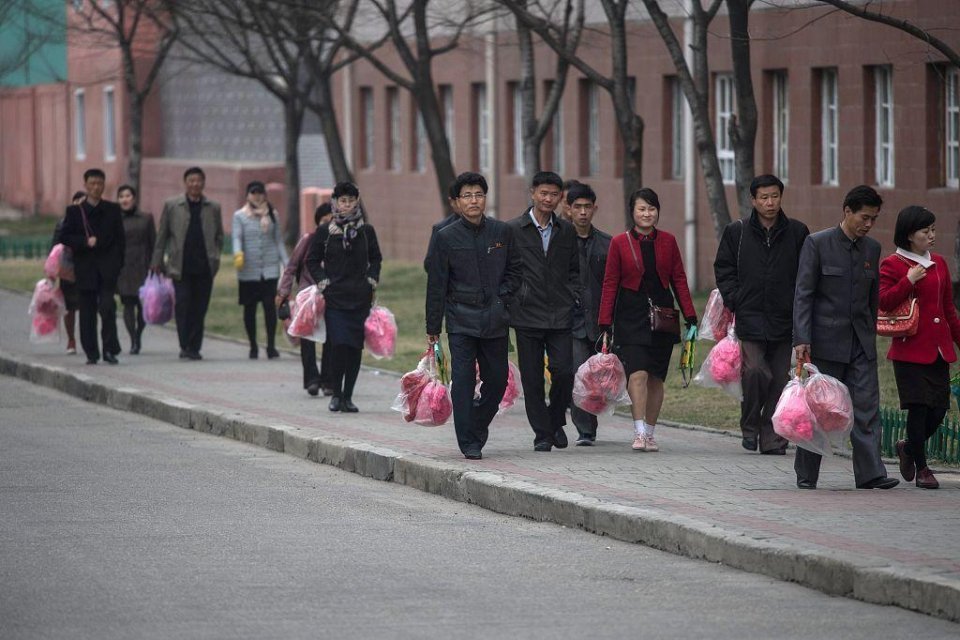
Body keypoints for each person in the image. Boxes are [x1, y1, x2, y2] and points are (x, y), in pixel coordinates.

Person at [792, 185, 898, 490]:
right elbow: (803, 294)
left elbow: (872, 299)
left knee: (866, 409)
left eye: (874, 219)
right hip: (824, 343)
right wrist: (802, 339)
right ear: (847, 211)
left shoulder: (872, 249)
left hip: (861, 344)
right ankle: (807, 475)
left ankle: (870, 474)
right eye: (864, 217)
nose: (868, 224)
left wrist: (872, 333)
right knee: (819, 411)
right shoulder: (817, 244)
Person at [426, 172, 522, 459]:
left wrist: (503, 297)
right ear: (456, 202)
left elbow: (516, 270)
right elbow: (436, 283)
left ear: (485, 198)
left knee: (498, 379)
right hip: (461, 320)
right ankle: (468, 441)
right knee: (464, 380)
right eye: (467, 195)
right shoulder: (444, 236)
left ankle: (476, 422)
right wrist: (433, 325)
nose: (474, 200)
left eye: (478, 194)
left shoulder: (502, 232)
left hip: (495, 318)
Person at [714, 174, 809, 455]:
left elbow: (806, 273)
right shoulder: (738, 232)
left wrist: (799, 307)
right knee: (756, 372)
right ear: (753, 200)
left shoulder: (796, 232)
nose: (770, 202)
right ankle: (750, 425)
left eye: (775, 196)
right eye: (764, 198)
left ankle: (773, 438)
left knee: (779, 379)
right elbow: (724, 268)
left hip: (785, 318)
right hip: (750, 316)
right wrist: (736, 299)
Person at [598, 188, 697, 452]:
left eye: (651, 209)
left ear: (657, 212)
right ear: (632, 212)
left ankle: (651, 432)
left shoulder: (668, 241)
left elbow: (678, 279)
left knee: (655, 377)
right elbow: (610, 283)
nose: (647, 213)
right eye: (642, 208)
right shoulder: (619, 243)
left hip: (662, 316)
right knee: (638, 373)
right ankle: (639, 431)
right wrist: (605, 321)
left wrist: (690, 314)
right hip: (630, 315)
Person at [880, 206, 960, 489]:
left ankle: (908, 448)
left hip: (938, 349)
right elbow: (884, 301)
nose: (932, 235)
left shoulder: (938, 262)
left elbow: (948, 308)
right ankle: (924, 469)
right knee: (919, 408)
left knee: (938, 411)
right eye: (926, 231)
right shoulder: (893, 264)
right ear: (909, 235)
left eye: (933, 230)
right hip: (909, 350)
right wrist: (908, 280)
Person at [507, 171, 581, 452]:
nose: (548, 199)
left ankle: (554, 421)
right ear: (533, 193)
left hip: (560, 313)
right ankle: (542, 433)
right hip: (526, 314)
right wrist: (515, 297)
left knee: (563, 372)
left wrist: (572, 295)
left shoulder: (567, 231)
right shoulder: (513, 229)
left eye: (554, 194)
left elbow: (575, 271)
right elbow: (508, 270)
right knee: (532, 377)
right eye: (543, 193)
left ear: (560, 197)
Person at [305, 182, 382, 413]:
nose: (346, 205)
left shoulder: (366, 231)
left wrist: (371, 280)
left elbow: (376, 259)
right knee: (338, 346)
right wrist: (323, 282)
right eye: (342, 201)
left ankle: (348, 397)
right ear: (335, 203)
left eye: (350, 200)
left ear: (356, 201)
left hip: (360, 298)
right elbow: (311, 260)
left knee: (354, 348)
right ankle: (335, 394)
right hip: (335, 299)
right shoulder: (325, 232)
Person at [151, 167, 224, 361]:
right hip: (179, 266)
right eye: (191, 181)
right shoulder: (173, 205)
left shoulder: (213, 207)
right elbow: (162, 236)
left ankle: (195, 347)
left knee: (200, 308)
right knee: (183, 306)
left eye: (198, 180)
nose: (195, 184)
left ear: (203, 183)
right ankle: (185, 344)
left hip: (205, 266)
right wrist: (157, 261)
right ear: (185, 183)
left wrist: (215, 257)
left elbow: (219, 236)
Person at [59, 169, 125, 365]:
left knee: (107, 308)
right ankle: (91, 352)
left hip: (107, 269)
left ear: (104, 185)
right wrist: (84, 242)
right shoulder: (74, 211)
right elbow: (64, 236)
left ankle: (109, 349)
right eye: (92, 183)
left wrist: (118, 265)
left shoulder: (113, 210)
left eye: (100, 183)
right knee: (87, 312)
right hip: (85, 268)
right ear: (86, 185)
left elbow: (120, 240)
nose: (96, 187)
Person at [566, 183, 611, 445]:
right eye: (577, 207)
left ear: (594, 209)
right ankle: (585, 429)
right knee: (577, 372)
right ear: (569, 210)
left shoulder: (607, 243)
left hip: (601, 320)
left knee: (601, 376)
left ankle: (593, 418)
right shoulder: (561, 242)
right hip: (571, 322)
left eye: (587, 207)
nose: (583, 212)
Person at [278, 202, 334, 396]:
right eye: (324, 221)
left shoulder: (339, 241)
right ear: (317, 223)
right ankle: (311, 379)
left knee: (330, 338)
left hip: (330, 296)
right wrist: (283, 292)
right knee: (307, 340)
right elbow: (291, 267)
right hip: (307, 297)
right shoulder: (308, 240)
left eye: (332, 221)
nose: (328, 225)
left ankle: (328, 381)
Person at [232, 181, 289, 360]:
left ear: (264, 195)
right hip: (248, 270)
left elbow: (278, 240)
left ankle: (271, 346)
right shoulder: (240, 216)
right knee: (249, 309)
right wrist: (237, 254)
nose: (256, 196)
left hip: (270, 269)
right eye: (253, 192)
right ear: (248, 195)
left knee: (269, 308)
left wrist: (286, 263)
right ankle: (253, 345)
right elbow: (237, 237)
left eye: (259, 193)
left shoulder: (273, 214)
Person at [115, 184, 156, 355]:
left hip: (142, 266)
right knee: (128, 305)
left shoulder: (146, 218)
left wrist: (156, 264)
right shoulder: (114, 219)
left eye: (128, 196)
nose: (125, 199)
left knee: (143, 306)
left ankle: (139, 333)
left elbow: (154, 243)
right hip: (123, 268)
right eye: (121, 196)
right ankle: (133, 340)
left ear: (134, 198)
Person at [50, 190, 86, 354]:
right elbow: (55, 248)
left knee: (88, 307)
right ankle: (71, 339)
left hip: (87, 270)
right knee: (70, 308)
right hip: (68, 271)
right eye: (77, 202)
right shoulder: (63, 223)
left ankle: (88, 340)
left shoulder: (94, 224)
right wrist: (52, 271)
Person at [422, 181, 462, 272]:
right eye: (460, 199)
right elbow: (429, 264)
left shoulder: (491, 228)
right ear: (452, 202)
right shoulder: (441, 229)